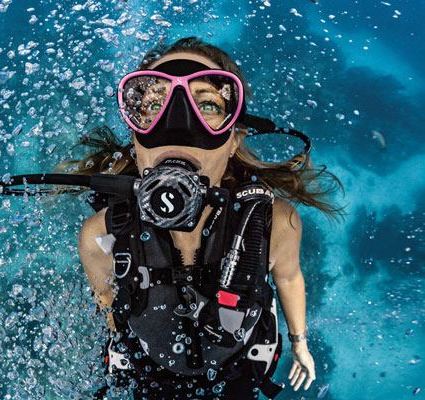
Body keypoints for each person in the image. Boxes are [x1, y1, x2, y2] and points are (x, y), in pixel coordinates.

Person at [71, 37, 345, 399]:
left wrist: (300, 342)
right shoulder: (99, 234)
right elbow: (107, 298)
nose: (178, 125)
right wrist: (116, 345)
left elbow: (289, 277)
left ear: (234, 138)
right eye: (153, 104)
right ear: (136, 138)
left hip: (239, 365)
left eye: (207, 104)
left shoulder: (275, 222)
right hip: (151, 372)